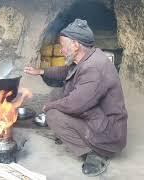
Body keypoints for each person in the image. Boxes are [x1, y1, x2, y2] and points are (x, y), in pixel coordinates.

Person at [24, 19, 127, 176]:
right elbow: (67, 72)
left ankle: (94, 152)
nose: (61, 50)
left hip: (108, 134)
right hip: (97, 118)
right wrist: (41, 71)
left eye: (63, 46)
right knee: (56, 94)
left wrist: (49, 107)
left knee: (53, 115)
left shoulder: (94, 68)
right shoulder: (86, 57)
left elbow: (75, 105)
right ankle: (75, 134)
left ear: (75, 45)